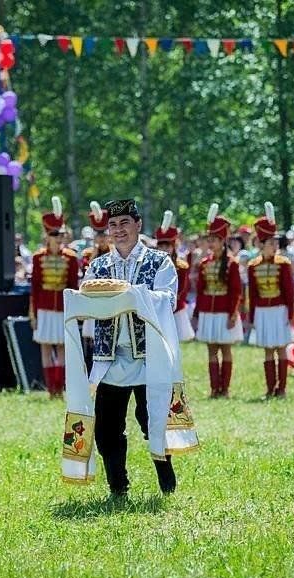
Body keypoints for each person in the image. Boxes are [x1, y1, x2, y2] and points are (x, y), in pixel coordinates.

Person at [82, 198, 180, 495]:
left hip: (148, 353)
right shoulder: (98, 265)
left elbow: (169, 299)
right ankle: (118, 486)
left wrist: (133, 297)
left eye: (125, 223)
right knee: (107, 427)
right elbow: (86, 301)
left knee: (152, 418)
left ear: (138, 225)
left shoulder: (158, 260)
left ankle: (166, 476)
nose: (118, 230)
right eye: (113, 225)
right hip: (109, 356)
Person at [30, 197, 80, 397]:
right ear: (47, 235)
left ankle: (60, 386)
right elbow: (34, 287)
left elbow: (73, 286)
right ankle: (51, 389)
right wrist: (33, 314)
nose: (59, 237)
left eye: (60, 234)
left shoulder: (71, 257)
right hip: (43, 307)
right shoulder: (37, 257)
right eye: (54, 234)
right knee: (45, 346)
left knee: (61, 346)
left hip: (62, 307)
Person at [192, 204, 243, 397]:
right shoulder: (205, 263)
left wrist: (233, 314)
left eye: (214, 240)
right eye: (209, 240)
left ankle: (225, 389)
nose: (210, 243)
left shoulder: (232, 264)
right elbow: (200, 291)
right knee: (211, 350)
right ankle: (214, 388)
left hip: (224, 312)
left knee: (226, 349)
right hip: (208, 312)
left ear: (222, 241)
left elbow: (236, 291)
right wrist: (197, 312)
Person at [248, 203, 294, 398]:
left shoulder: (284, 264)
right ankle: (270, 389)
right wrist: (251, 316)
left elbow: (289, 291)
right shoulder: (253, 266)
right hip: (262, 311)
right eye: (271, 243)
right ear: (262, 244)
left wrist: (291, 314)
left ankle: (282, 389)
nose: (275, 247)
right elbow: (252, 294)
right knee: (268, 350)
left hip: (280, 310)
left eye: (276, 243)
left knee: (281, 349)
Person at [154, 210, 195, 342]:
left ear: (173, 247)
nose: (164, 250)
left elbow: (183, 289)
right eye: (161, 246)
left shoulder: (181, 266)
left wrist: (170, 303)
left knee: (174, 344)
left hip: (175, 309)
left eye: (167, 246)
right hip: (156, 309)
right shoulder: (151, 266)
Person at [80, 202, 112, 369]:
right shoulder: (88, 254)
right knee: (92, 342)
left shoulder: (115, 254)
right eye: (98, 235)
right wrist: (94, 253)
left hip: (110, 302)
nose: (101, 239)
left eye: (104, 235)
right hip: (94, 303)